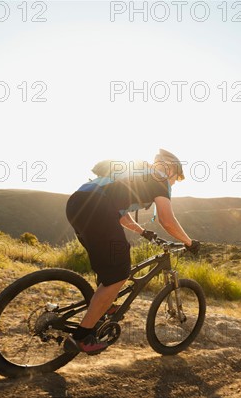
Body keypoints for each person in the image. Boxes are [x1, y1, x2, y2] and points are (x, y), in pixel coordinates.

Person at [63, 149, 200, 355]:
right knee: (119, 272)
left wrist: (144, 232)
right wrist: (189, 243)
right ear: (170, 168)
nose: (174, 183)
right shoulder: (160, 178)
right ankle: (82, 336)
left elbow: (121, 215)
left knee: (108, 267)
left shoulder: (137, 174)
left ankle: (104, 307)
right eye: (177, 179)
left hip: (78, 204)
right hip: (97, 207)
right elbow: (167, 220)